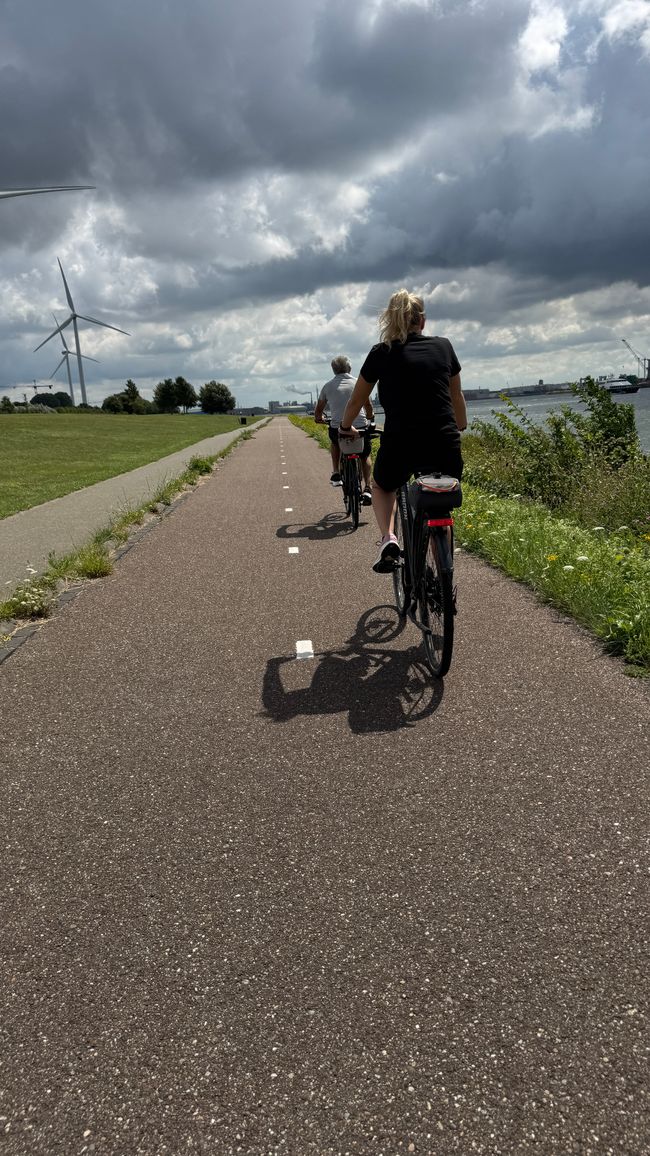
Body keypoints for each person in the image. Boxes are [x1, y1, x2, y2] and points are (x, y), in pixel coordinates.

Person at [339, 289, 467, 571]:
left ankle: (389, 538)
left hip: (402, 442)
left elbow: (357, 400)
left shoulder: (381, 352)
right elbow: (456, 395)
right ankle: (443, 571)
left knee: (383, 486)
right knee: (439, 504)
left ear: (391, 320)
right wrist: (459, 426)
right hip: (444, 442)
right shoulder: (444, 346)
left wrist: (345, 426)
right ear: (422, 321)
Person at [314, 355, 375, 504]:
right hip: (359, 427)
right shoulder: (357, 383)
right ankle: (367, 488)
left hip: (338, 428)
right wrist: (370, 416)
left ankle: (336, 472)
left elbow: (319, 410)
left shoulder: (327, 386)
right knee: (365, 454)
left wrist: (319, 418)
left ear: (333, 370)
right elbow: (367, 406)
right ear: (350, 368)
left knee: (335, 443)